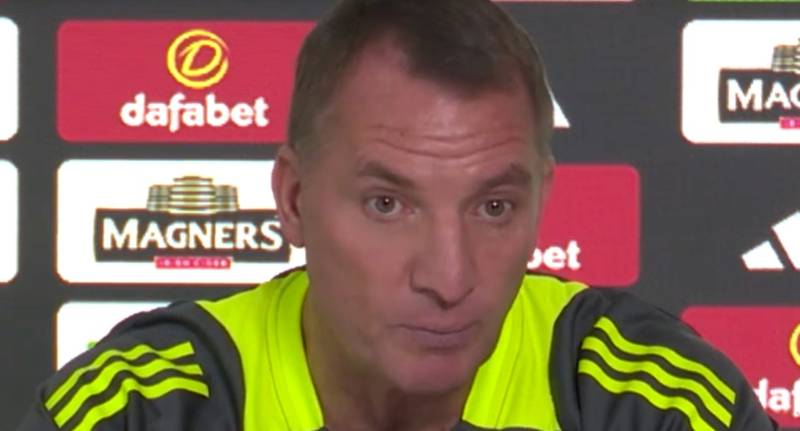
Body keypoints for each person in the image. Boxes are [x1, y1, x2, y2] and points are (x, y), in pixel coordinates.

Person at [18, 0, 778, 430]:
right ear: (293, 200)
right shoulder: (148, 407)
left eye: (494, 206)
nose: (449, 278)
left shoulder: (644, 402)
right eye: (387, 204)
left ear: (543, 199)